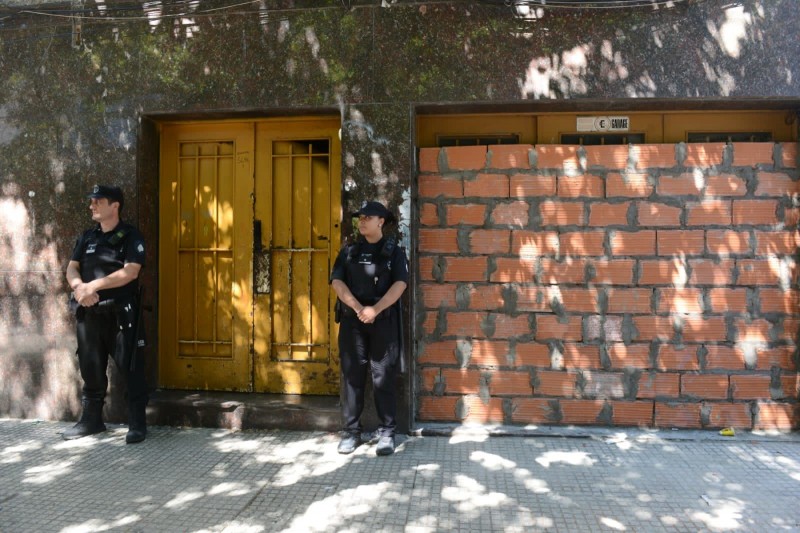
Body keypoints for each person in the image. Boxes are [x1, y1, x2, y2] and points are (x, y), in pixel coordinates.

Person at [63, 184, 148, 443]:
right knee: (90, 367)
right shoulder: (87, 237)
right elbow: (72, 268)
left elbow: (131, 272)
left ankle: (137, 423)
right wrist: (79, 288)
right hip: (89, 313)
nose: (92, 206)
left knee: (131, 367)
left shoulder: (131, 236)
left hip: (120, 314)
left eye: (98, 201)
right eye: (91, 201)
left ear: (115, 206)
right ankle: (92, 421)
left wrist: (94, 286)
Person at [330, 201, 408, 455]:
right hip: (353, 322)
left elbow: (400, 284)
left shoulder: (394, 252)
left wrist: (375, 309)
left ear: (381, 221)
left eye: (368, 217)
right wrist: (358, 308)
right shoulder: (349, 251)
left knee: (383, 375)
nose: (362, 221)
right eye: (360, 217)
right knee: (352, 376)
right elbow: (337, 282)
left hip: (383, 322)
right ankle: (351, 432)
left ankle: (387, 432)